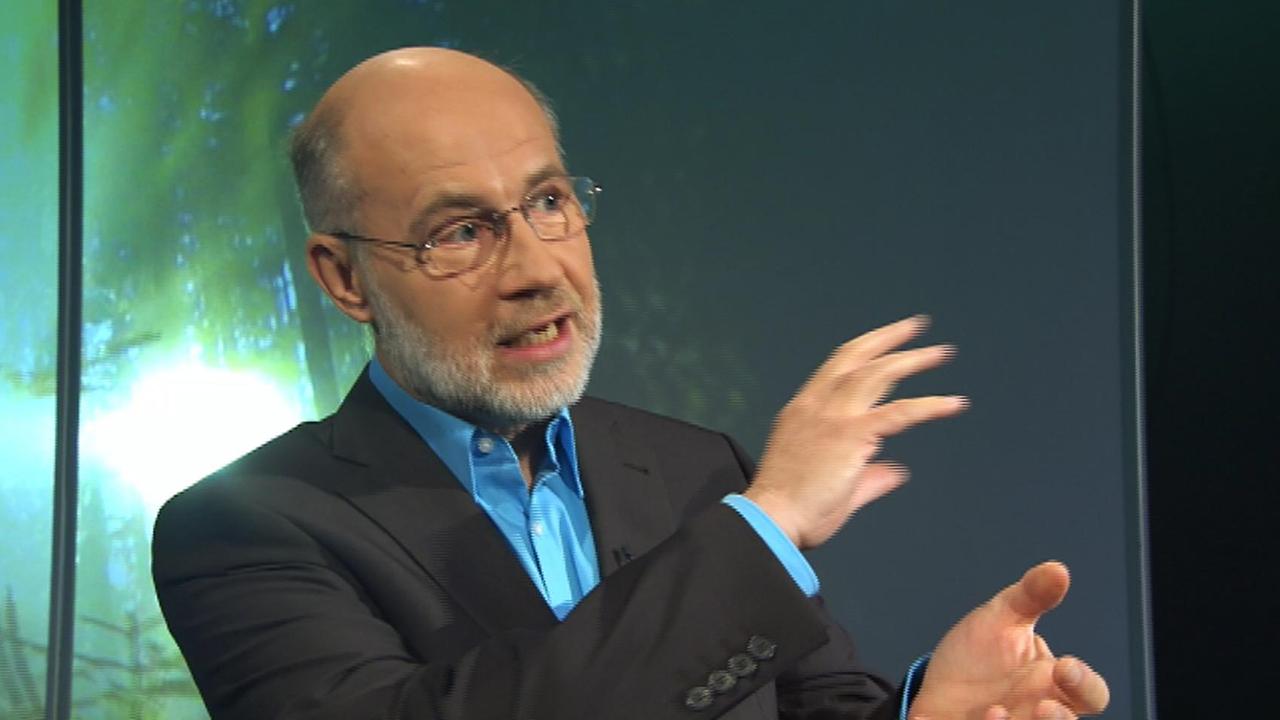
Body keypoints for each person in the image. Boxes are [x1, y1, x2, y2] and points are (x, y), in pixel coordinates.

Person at [151, 47, 1111, 720]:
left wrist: (926, 713)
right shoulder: (248, 527)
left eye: (548, 202)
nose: (538, 268)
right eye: (461, 231)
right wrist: (768, 525)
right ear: (345, 278)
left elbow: (815, 707)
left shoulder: (692, 468)